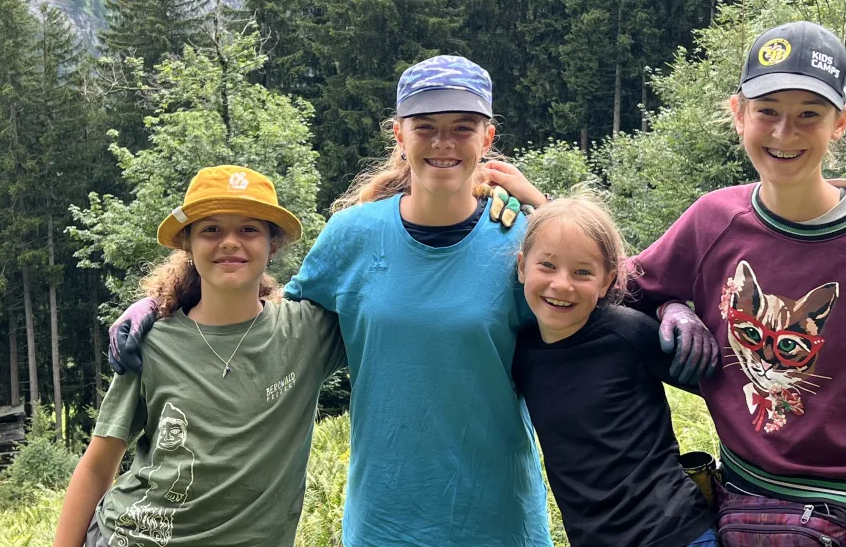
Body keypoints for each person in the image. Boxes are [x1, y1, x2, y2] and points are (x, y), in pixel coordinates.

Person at [108, 55, 559, 545]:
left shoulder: (521, 241)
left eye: (463, 127)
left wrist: (548, 211)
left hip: (499, 520)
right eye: (425, 126)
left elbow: (599, 302)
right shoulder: (352, 235)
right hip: (385, 524)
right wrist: (159, 304)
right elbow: (268, 322)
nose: (443, 141)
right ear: (399, 135)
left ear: (487, 138)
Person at [627, 21, 846, 546]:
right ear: (738, 114)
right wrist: (671, 307)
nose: (784, 133)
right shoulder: (714, 221)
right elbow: (612, 286)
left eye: (809, 114)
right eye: (767, 111)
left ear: (841, 122)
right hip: (750, 513)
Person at [52, 165, 344, 547]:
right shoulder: (150, 342)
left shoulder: (308, 332)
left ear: (273, 243)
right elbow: (97, 465)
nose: (230, 242)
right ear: (188, 244)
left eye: (249, 229)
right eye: (211, 229)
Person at [509, 195, 718, 547]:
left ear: (606, 281)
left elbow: (724, 389)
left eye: (582, 272)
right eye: (547, 265)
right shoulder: (521, 352)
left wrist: (675, 307)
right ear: (521, 267)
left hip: (676, 533)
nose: (562, 284)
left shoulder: (628, 332)